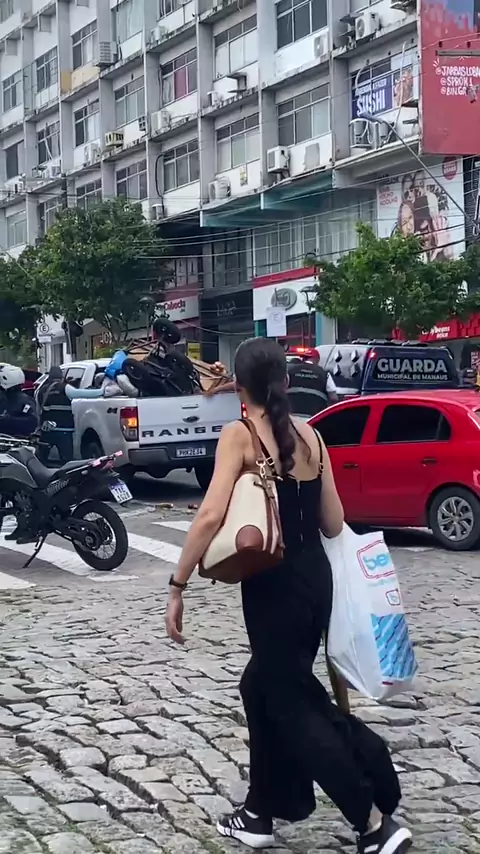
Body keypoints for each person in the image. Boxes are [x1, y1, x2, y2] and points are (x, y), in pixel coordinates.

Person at [165, 337, 411, 854]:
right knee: (261, 688)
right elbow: (334, 521)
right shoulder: (313, 437)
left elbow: (209, 515)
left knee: (293, 705)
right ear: (284, 381)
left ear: (239, 386)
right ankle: (262, 809)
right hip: (314, 583)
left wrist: (178, 585)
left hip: (273, 589)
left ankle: (371, 819)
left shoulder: (240, 435)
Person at [37, 368, 75, 464]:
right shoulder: (65, 388)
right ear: (61, 377)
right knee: (66, 460)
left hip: (47, 429)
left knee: (41, 460)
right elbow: (83, 394)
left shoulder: (42, 390)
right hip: (64, 429)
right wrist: (102, 391)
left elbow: (38, 409)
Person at [287, 350, 338, 416]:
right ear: (317, 360)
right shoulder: (324, 373)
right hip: (315, 416)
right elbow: (333, 398)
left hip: (292, 414)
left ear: (304, 359)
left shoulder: (290, 370)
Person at [0, 365, 37, 438]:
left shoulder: (24, 400)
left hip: (16, 440)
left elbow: (31, 423)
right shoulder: (4, 398)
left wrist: (6, 419)